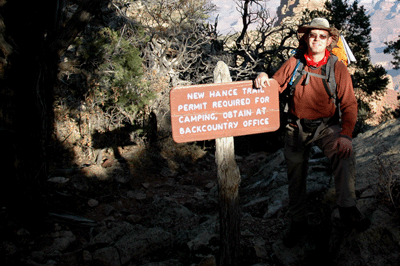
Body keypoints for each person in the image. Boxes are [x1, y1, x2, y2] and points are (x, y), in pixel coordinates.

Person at [254, 18, 370, 247]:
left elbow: (349, 105)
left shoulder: (337, 67)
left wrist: (346, 135)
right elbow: (276, 85)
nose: (316, 39)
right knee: (295, 176)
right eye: (312, 35)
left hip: (327, 127)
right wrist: (263, 78)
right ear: (306, 37)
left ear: (329, 40)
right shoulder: (294, 62)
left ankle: (347, 208)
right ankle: (298, 223)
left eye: (322, 36)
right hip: (296, 127)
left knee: (344, 154)